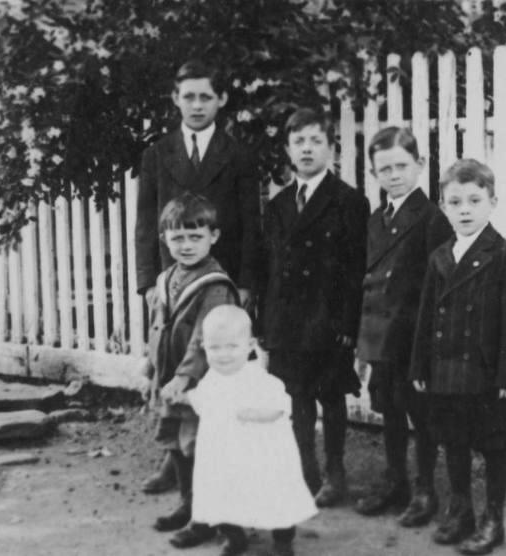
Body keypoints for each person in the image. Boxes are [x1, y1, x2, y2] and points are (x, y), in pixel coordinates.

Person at [136, 58, 261, 495]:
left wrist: (245, 283)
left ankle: (216, 464)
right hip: (171, 286)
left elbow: (250, 223)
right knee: (171, 368)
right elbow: (145, 222)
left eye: (205, 96)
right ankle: (175, 463)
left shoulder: (238, 155)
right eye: (187, 96)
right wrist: (148, 281)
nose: (196, 105)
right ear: (175, 99)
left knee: (214, 374)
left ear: (221, 100)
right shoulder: (157, 154)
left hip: (216, 287)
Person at [409, 159, 506, 555]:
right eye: (455, 201)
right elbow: (426, 317)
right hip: (446, 371)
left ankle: (493, 519)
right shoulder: (440, 257)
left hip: (487, 375)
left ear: (492, 202)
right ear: (443, 206)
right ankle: (460, 509)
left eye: (474, 200)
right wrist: (419, 365)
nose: (465, 210)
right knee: (454, 441)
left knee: (494, 445)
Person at [261, 107, 370, 507]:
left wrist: (347, 323)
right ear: (289, 150)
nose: (307, 149)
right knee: (297, 395)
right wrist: (264, 323)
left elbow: (357, 266)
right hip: (287, 321)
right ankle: (305, 467)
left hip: (328, 319)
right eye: (298, 142)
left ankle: (335, 471)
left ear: (331, 149)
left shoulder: (349, 202)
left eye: (315, 141)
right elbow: (268, 269)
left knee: (330, 393)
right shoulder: (278, 206)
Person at [354, 127, 453, 525]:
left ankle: (426, 490)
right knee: (389, 411)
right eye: (385, 169)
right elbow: (370, 282)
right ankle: (397, 481)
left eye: (401, 166)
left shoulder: (432, 219)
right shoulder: (377, 219)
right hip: (382, 338)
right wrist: (364, 343)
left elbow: (439, 288)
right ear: (374, 172)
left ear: (420, 166)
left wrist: (428, 347)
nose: (394, 175)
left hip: (413, 338)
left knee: (421, 415)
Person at [176, 305, 317, 556]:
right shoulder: (212, 379)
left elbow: (280, 407)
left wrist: (256, 414)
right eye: (215, 348)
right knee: (221, 493)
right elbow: (202, 401)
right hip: (225, 455)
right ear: (204, 347)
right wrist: (184, 397)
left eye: (232, 346)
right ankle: (233, 535)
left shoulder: (260, 379)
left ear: (250, 345)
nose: (223, 355)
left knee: (273, 494)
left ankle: (283, 539)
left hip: (260, 454)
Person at [144, 193, 239, 549]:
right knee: (176, 444)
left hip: (201, 385)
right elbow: (157, 327)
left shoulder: (214, 284)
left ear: (213, 237)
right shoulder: (166, 277)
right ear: (164, 239)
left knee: (200, 448)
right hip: (169, 381)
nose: (185, 245)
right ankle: (189, 505)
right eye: (177, 237)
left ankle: (216, 521)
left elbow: (205, 337)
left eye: (195, 236)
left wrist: (185, 376)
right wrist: (149, 367)